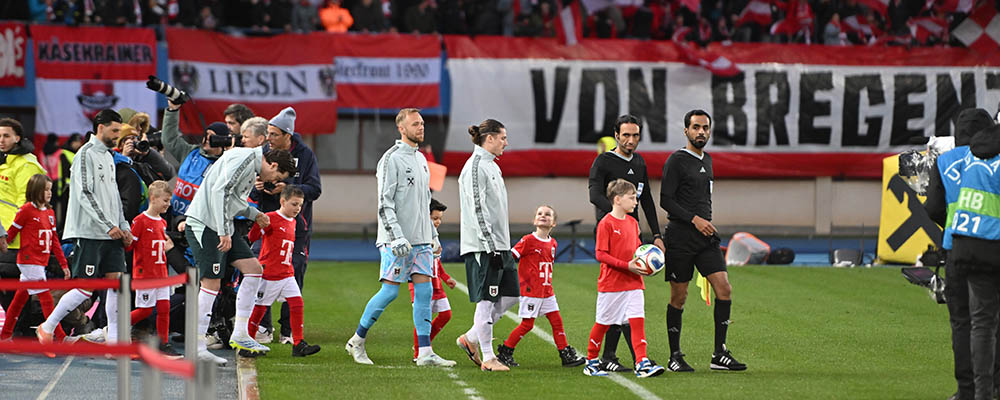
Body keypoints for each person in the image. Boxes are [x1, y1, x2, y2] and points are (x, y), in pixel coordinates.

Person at [344, 108, 455, 367]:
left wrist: (433, 235)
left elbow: (425, 202)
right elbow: (384, 203)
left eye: (422, 123)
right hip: (396, 241)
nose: (421, 127)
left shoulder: (422, 159)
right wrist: (396, 237)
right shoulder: (390, 159)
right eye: (415, 124)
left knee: (425, 291)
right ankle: (357, 340)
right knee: (389, 292)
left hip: (421, 241)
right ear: (401, 128)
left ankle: (425, 352)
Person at [185, 145, 296, 365]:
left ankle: (241, 334)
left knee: (254, 269)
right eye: (277, 176)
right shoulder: (245, 159)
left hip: (221, 225)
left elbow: (232, 199)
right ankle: (196, 347)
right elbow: (219, 192)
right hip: (205, 224)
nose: (273, 181)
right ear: (273, 164)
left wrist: (254, 213)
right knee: (211, 283)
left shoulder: (249, 164)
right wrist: (223, 231)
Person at [37, 109, 133, 348]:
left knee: (117, 283)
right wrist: (107, 225)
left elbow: (114, 197)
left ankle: (115, 341)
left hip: (112, 232)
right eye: (114, 130)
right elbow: (84, 194)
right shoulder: (84, 154)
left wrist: (123, 226)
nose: (117, 135)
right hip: (90, 232)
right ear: (100, 127)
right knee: (85, 288)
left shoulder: (109, 156)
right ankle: (47, 327)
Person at [660, 109, 746, 372]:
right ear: (686, 130)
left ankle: (719, 354)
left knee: (724, 288)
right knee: (679, 297)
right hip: (680, 237)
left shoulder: (707, 159)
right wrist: (694, 219)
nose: (701, 132)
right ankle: (675, 356)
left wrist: (703, 222)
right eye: (696, 127)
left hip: (705, 238)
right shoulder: (676, 160)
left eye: (705, 127)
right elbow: (666, 200)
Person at [925, 108, 997, 400]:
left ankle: (965, 390)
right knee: (989, 321)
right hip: (992, 243)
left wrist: (953, 223)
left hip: (955, 247)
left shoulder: (944, 160)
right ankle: (992, 387)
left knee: (962, 322)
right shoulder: (992, 157)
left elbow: (932, 208)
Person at [587, 114, 665, 372]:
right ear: (616, 135)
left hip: (633, 233)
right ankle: (619, 358)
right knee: (618, 298)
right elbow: (594, 194)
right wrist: (616, 214)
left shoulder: (640, 162)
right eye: (626, 135)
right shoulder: (603, 161)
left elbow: (647, 199)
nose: (631, 140)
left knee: (630, 297)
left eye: (636, 135)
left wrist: (656, 235)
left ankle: (630, 359)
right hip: (611, 233)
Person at [251, 107, 322, 345]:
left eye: (273, 134)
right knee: (263, 272)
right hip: (268, 225)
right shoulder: (263, 153)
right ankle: (263, 327)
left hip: (297, 228)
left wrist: (289, 189)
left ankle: (288, 331)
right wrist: (257, 189)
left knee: (295, 272)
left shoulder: (306, 155)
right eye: (268, 133)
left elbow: (315, 189)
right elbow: (250, 189)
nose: (268, 138)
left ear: (287, 135)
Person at [454, 118, 518, 372]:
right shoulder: (475, 167)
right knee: (486, 301)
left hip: (500, 245)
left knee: (511, 296)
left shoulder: (492, 166)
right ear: (489, 138)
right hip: (484, 247)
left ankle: (471, 338)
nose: (506, 143)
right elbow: (477, 209)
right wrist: (490, 246)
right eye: (503, 138)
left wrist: (500, 245)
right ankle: (489, 358)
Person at [582, 179, 664, 378]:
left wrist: (646, 264)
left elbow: (637, 252)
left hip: (634, 283)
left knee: (637, 322)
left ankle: (641, 363)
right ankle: (591, 362)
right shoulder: (606, 223)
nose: (636, 201)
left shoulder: (633, 223)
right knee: (603, 324)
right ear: (617, 199)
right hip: (611, 284)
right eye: (632, 198)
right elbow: (600, 254)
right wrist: (626, 266)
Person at [497, 205, 586, 368]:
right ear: (534, 220)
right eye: (539, 213)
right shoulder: (528, 240)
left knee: (557, 321)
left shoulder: (553, 243)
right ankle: (505, 352)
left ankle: (565, 355)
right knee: (527, 325)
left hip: (547, 291)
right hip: (531, 290)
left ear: (554, 223)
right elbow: (511, 257)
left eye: (547, 214)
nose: (543, 216)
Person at [949, 121, 1000, 400]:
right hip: (994, 242)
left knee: (982, 323)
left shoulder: (972, 152)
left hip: (967, 244)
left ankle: (982, 394)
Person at [245, 185, 321, 357]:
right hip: (270, 274)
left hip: (286, 273)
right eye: (294, 204)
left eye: (300, 205)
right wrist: (257, 225)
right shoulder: (270, 218)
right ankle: (247, 343)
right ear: (282, 201)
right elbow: (252, 237)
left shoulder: (294, 222)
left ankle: (298, 344)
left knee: (297, 303)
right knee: (259, 309)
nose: (298, 208)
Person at [0, 174, 69, 341]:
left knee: (19, 300)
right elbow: (12, 231)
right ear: (35, 190)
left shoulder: (50, 213)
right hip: (28, 260)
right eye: (45, 190)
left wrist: (63, 264)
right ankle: (59, 336)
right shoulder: (25, 210)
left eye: (50, 189)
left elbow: (54, 241)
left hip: (41, 261)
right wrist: (4, 244)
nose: (49, 193)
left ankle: (5, 335)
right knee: (46, 297)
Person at [126, 180, 182, 358]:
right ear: (153, 198)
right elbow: (130, 246)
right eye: (165, 200)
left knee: (164, 308)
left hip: (161, 274)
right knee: (146, 310)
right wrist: (127, 239)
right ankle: (116, 328)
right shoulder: (140, 221)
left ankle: (163, 344)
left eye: (169, 200)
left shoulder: (162, 222)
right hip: (146, 275)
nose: (168, 204)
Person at [407, 198, 455, 361]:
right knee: (423, 319)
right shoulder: (418, 238)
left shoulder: (436, 238)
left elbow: (437, 263)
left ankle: (424, 343)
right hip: (421, 285)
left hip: (437, 285)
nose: (438, 222)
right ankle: (418, 352)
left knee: (446, 315)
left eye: (440, 218)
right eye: (434, 218)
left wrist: (446, 278)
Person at [0, 118, 45, 275]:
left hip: (14, 240)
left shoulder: (26, 165)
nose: (1, 140)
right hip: (5, 236)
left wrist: (10, 233)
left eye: (6, 136)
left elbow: (26, 204)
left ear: (17, 138)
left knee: (12, 285)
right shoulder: (6, 162)